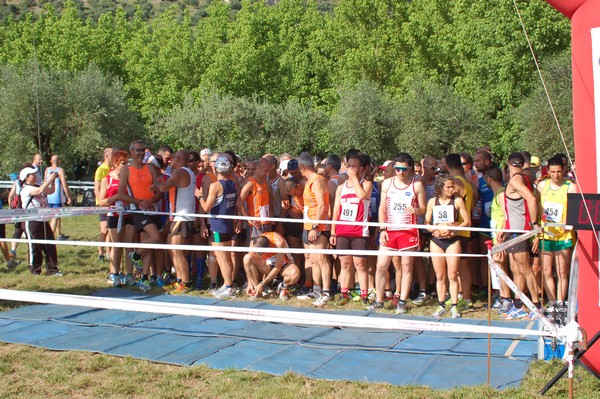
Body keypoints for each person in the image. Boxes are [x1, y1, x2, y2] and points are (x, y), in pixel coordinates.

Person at [369, 153, 426, 314]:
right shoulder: (387, 183)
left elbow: (423, 208)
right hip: (390, 230)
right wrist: (382, 229)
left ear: (410, 169)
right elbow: (382, 208)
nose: (400, 172)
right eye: (397, 169)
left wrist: (416, 210)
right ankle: (379, 300)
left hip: (408, 231)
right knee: (381, 266)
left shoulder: (417, 185)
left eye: (404, 169)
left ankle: (402, 300)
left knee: (406, 266)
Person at [498, 152, 541, 319]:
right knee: (516, 269)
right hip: (512, 229)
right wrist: (504, 228)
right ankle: (519, 304)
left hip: (519, 230)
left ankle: (536, 306)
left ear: (508, 163)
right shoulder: (522, 178)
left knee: (525, 268)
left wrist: (534, 224)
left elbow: (532, 199)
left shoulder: (516, 180)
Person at [118, 140, 163, 292]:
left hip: (153, 209)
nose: (141, 153)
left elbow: (158, 190)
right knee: (155, 237)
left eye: (143, 150)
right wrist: (139, 202)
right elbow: (121, 194)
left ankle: (145, 278)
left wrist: (151, 199)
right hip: (138, 210)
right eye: (137, 150)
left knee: (148, 243)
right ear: (131, 152)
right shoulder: (126, 170)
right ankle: (136, 254)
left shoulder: (150, 167)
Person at [425, 174, 471, 319]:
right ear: (440, 188)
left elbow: (467, 221)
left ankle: (455, 306)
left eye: (453, 186)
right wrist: (434, 230)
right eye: (449, 187)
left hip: (452, 240)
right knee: (440, 275)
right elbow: (426, 223)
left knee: (452, 274)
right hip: (436, 240)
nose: (452, 189)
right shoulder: (432, 202)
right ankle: (441, 304)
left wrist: (454, 228)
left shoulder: (457, 201)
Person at [330, 152, 373, 305]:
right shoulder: (340, 188)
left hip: (359, 230)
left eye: (354, 166)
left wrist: (354, 179)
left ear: (361, 168)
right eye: (349, 166)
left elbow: (362, 196)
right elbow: (336, 210)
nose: (351, 169)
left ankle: (364, 295)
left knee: (360, 264)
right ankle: (344, 293)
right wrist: (333, 231)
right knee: (345, 264)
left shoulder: (366, 183)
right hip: (342, 230)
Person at [154, 150, 197, 295]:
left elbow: (164, 187)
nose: (171, 161)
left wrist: (155, 183)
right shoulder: (188, 172)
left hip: (182, 217)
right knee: (173, 250)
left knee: (178, 251)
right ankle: (180, 280)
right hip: (180, 216)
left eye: (173, 158)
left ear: (177, 159)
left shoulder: (180, 172)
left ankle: (185, 282)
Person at [200, 155, 242, 299]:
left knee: (222, 258)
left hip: (218, 225)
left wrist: (199, 196)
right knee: (227, 258)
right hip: (228, 225)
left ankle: (229, 287)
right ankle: (227, 283)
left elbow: (206, 207)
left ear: (216, 168)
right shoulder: (232, 183)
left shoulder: (216, 185)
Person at [538, 156, 578, 304]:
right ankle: (552, 303)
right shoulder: (543, 186)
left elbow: (575, 212)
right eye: (553, 172)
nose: (556, 175)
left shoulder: (571, 187)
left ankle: (561, 304)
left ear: (564, 171)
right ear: (548, 171)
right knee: (547, 271)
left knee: (562, 272)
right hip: (546, 235)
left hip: (563, 236)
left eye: (559, 171)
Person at [297, 152, 332, 307]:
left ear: (302, 167)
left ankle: (326, 292)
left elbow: (322, 205)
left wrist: (315, 227)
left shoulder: (317, 181)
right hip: (309, 223)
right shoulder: (310, 181)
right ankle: (316, 289)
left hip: (318, 225)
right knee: (314, 259)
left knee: (321, 259)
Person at [97, 149, 136, 287]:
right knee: (117, 246)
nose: (125, 166)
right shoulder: (107, 179)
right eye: (122, 163)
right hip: (114, 215)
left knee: (129, 245)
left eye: (127, 163)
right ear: (115, 163)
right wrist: (116, 197)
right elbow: (101, 201)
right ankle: (115, 274)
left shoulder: (129, 178)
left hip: (129, 214)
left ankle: (130, 275)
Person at [19, 166, 61, 276]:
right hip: (32, 221)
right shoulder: (26, 189)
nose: (36, 176)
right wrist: (49, 179)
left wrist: (54, 180)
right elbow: (40, 190)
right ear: (27, 178)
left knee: (50, 245)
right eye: (33, 174)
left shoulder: (38, 186)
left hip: (44, 221)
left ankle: (52, 269)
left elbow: (51, 190)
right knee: (35, 247)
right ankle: (35, 270)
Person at [446, 153, 476, 309]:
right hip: (462, 228)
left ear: (447, 166)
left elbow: (451, 204)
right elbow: (472, 204)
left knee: (461, 266)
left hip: (459, 229)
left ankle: (466, 297)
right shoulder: (467, 182)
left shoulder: (457, 182)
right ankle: (461, 295)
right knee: (459, 266)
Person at [243, 231, 301, 301]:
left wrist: (262, 284)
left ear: (269, 247)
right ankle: (257, 290)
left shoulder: (279, 242)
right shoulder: (254, 243)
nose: (259, 254)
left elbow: (277, 267)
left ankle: (283, 287)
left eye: (261, 253)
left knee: (294, 273)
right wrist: (250, 283)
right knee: (247, 258)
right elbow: (248, 263)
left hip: (283, 265)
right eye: (256, 252)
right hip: (267, 265)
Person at [237, 158, 273, 239]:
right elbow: (239, 202)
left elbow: (270, 200)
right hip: (256, 224)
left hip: (266, 222)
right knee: (256, 249)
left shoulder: (266, 182)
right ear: (257, 169)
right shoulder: (250, 183)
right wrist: (248, 219)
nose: (267, 174)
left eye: (268, 171)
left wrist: (271, 216)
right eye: (265, 171)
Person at [45, 155, 73, 241]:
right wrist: (69, 197)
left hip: (48, 195)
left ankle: (59, 234)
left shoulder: (47, 170)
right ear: (59, 162)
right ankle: (49, 238)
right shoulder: (60, 170)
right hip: (57, 196)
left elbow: (45, 183)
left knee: (57, 215)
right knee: (55, 216)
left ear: (50, 161)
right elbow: (64, 184)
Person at [94, 148, 113, 262]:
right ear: (107, 156)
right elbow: (97, 188)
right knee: (104, 229)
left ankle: (108, 252)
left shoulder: (113, 169)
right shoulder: (100, 170)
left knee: (110, 228)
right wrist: (101, 202)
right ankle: (100, 252)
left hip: (111, 203)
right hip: (102, 204)